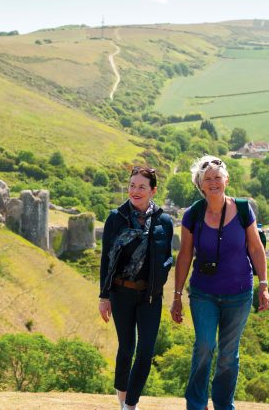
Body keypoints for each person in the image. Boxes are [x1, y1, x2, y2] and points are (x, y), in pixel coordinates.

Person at [170, 155, 269, 410]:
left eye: (218, 177)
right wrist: (177, 295)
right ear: (200, 185)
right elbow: (184, 256)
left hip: (239, 293)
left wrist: (264, 284)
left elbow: (256, 248)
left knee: (228, 354)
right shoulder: (192, 214)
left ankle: (224, 405)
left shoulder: (243, 208)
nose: (214, 182)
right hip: (204, 292)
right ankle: (196, 404)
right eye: (208, 179)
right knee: (204, 345)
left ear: (226, 179)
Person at [99, 166, 174, 410]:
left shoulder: (163, 221)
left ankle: (131, 404)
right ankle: (122, 396)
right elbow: (106, 259)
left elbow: (167, 258)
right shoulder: (116, 218)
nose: (135, 191)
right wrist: (104, 296)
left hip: (150, 296)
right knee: (127, 348)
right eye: (132, 185)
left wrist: (161, 279)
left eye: (142, 187)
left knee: (145, 351)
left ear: (153, 190)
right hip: (121, 293)